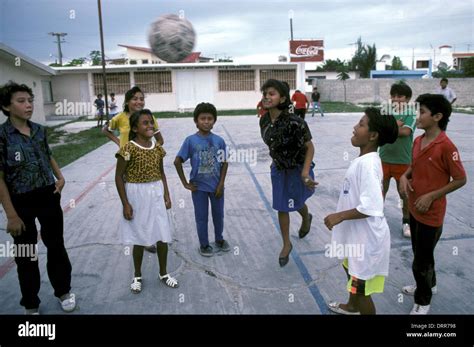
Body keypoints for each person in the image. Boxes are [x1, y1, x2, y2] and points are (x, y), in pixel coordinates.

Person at [0, 81, 76, 314]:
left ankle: (63, 290)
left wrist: (60, 177)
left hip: (47, 194)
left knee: (56, 246)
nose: (28, 105)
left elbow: (48, 154)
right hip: (20, 200)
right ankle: (31, 303)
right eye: (21, 101)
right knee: (26, 254)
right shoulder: (2, 136)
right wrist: (11, 215)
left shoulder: (39, 130)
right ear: (6, 106)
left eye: (30, 100)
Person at [324, 107, 398, 315]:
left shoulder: (367, 165)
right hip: (356, 236)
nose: (355, 127)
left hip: (366, 240)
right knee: (350, 270)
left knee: (363, 289)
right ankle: (352, 306)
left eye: (361, 124)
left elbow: (372, 205)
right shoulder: (364, 160)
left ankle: (359, 305)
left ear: (373, 136)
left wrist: (339, 216)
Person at [399, 94, 466, 315]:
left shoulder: (446, 146)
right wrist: (404, 177)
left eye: (422, 112)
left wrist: (432, 196)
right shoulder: (418, 140)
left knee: (421, 261)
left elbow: (460, 179)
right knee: (421, 254)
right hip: (415, 210)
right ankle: (430, 285)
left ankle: (423, 300)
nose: (417, 117)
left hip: (432, 214)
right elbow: (413, 166)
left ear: (437, 117)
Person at [115, 109, 179, 293]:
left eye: (151, 122)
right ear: (135, 128)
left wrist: (167, 194)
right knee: (139, 237)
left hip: (156, 193)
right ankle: (137, 275)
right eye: (145, 123)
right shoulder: (127, 149)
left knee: (162, 234)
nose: (150, 126)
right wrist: (125, 203)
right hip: (137, 194)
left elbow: (162, 173)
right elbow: (119, 176)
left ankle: (164, 273)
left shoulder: (158, 148)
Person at [259, 79, 317, 267]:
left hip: (298, 168)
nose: (267, 97)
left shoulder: (295, 122)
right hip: (278, 169)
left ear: (283, 98)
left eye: (272, 94)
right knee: (282, 206)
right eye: (265, 93)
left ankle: (306, 217)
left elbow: (310, 147)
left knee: (296, 201)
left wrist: (305, 172)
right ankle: (286, 244)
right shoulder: (264, 120)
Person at [102, 86, 163, 253]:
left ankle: (149, 238)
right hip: (127, 161)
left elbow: (159, 139)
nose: (139, 101)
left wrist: (150, 151)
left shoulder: (149, 117)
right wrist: (117, 142)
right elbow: (105, 130)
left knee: (148, 203)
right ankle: (139, 236)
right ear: (127, 101)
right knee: (132, 200)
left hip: (144, 164)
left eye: (141, 98)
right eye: (135, 98)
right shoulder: (120, 118)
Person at [174, 102, 230, 257]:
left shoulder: (219, 141)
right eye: (203, 118)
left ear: (214, 120)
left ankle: (219, 239)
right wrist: (185, 183)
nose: (206, 121)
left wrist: (221, 184)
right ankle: (204, 244)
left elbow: (225, 163)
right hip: (198, 188)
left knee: (218, 215)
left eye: (210, 118)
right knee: (201, 217)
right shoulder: (190, 140)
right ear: (196, 121)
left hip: (217, 187)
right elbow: (177, 161)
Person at [380, 82, 416, 238]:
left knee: (404, 194)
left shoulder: (412, 112)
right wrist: (396, 125)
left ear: (407, 98)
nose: (396, 99)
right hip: (383, 158)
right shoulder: (385, 111)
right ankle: (376, 218)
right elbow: (378, 130)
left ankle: (406, 221)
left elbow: (406, 132)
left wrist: (390, 128)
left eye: (400, 96)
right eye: (393, 96)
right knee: (380, 191)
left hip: (403, 161)